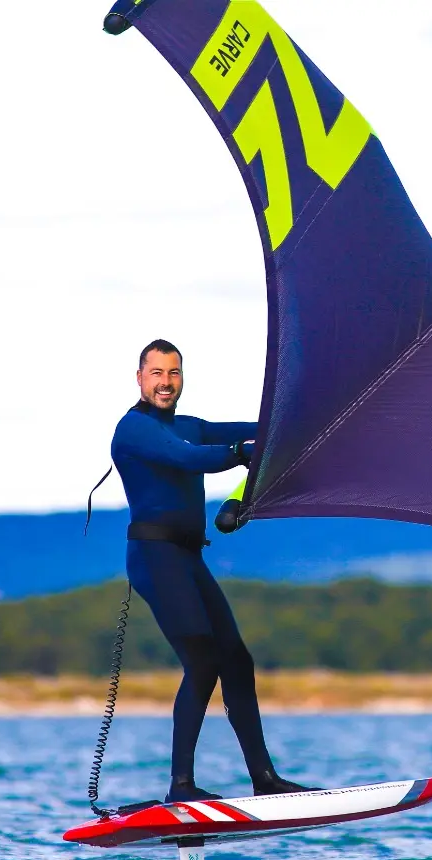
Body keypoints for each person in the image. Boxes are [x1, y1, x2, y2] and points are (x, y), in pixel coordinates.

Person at [111, 338, 311, 802]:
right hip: (154, 557)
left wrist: (299, 422)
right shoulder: (134, 429)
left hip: (187, 557)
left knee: (236, 660)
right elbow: (190, 458)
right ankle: (181, 787)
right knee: (201, 660)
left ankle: (265, 780)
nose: (166, 382)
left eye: (174, 372)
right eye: (157, 373)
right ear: (140, 378)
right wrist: (242, 451)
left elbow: (255, 428)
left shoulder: (188, 425)